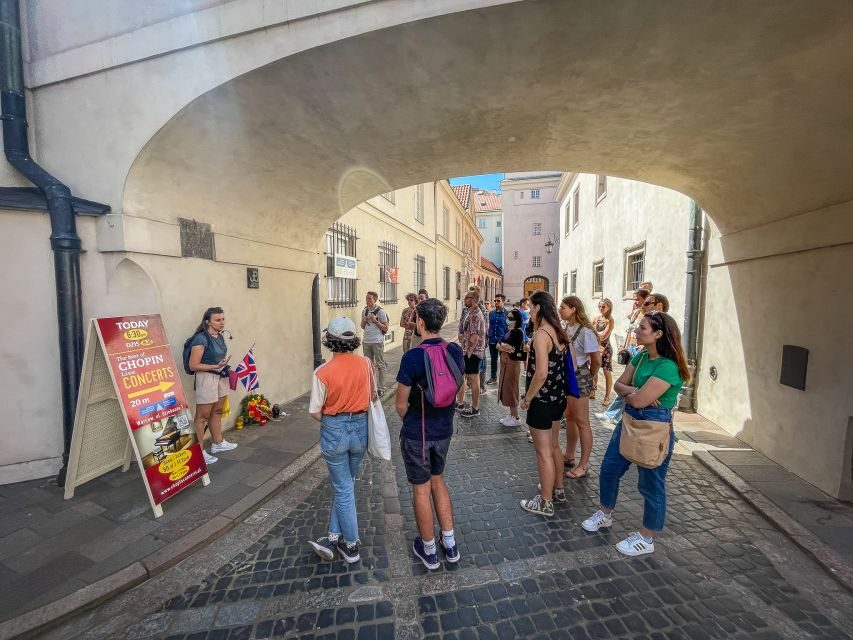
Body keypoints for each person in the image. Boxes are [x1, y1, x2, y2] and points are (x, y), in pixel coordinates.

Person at [581, 311, 690, 557]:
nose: (637, 330)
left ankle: (646, 537)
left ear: (658, 334)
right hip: (629, 421)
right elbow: (621, 387)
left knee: (651, 484)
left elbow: (638, 399)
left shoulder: (668, 367)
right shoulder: (641, 355)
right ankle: (605, 513)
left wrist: (636, 394)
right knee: (609, 470)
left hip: (654, 429)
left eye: (642, 327)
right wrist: (638, 392)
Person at [395, 298, 464, 569]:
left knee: (421, 490)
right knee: (439, 481)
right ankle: (450, 543)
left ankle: (429, 550)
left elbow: (400, 404)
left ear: (420, 322)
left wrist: (409, 417)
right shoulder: (455, 351)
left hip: (418, 433)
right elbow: (460, 391)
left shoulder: (412, 357)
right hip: (444, 430)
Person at [307, 317, 375, 564]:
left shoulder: (322, 372)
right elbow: (371, 394)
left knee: (343, 487)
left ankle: (351, 546)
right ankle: (333, 536)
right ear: (354, 340)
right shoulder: (366, 363)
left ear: (330, 341)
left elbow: (315, 412)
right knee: (346, 484)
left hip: (334, 430)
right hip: (360, 429)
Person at [519, 291, 569, 517]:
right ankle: (558, 489)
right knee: (554, 446)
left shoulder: (541, 335)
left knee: (543, 453)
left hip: (542, 400)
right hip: (558, 398)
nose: (529, 311)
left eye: (531, 307)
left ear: (538, 308)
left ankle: (545, 502)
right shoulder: (559, 332)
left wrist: (527, 397)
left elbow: (540, 374)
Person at [188, 306, 238, 465]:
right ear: (207, 321)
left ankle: (218, 443)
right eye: (218, 320)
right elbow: (193, 365)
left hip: (220, 376)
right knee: (202, 417)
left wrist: (221, 365)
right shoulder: (200, 339)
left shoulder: (220, 336)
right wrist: (215, 366)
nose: (222, 322)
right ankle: (199, 452)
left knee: (217, 411)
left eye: (223, 319)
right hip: (206, 378)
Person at [560, 296, 601, 480]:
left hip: (579, 376)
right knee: (570, 417)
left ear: (574, 309)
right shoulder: (568, 327)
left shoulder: (586, 332)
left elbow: (596, 360)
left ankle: (584, 464)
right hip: (568, 376)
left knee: (582, 422)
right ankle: (569, 455)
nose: (560, 310)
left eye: (564, 307)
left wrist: (589, 377)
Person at [456, 290, 486, 418]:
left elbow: (474, 338)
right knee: (471, 378)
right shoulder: (471, 312)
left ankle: (474, 408)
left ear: (473, 300)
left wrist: (462, 337)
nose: (464, 299)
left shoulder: (474, 315)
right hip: (471, 351)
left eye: (467, 297)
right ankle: (468, 405)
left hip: (472, 353)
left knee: (474, 379)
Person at [496, 309, 525, 428]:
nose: (508, 319)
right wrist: (504, 347)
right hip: (505, 364)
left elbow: (513, 348)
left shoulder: (518, 332)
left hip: (512, 364)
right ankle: (511, 415)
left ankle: (516, 417)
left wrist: (503, 346)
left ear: (517, 320)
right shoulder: (509, 331)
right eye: (508, 317)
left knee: (512, 388)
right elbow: (499, 344)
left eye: (511, 318)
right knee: (506, 388)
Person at [360, 291, 389, 395]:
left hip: (377, 341)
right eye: (366, 298)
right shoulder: (364, 311)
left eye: (369, 299)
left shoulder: (380, 311)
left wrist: (376, 321)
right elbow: (362, 326)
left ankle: (381, 387)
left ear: (374, 300)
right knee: (369, 365)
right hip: (366, 341)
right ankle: (371, 387)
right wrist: (364, 320)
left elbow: (386, 328)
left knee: (380, 364)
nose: (367, 301)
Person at [594, 298, 615, 406]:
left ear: (609, 307)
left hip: (605, 349)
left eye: (603, 306)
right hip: (596, 348)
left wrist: (594, 333)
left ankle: (607, 396)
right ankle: (593, 389)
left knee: (606, 372)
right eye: (600, 306)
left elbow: (604, 336)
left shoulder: (610, 320)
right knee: (594, 370)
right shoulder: (596, 318)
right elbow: (587, 329)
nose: (601, 308)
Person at [487, 294, 509, 385]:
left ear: (503, 302)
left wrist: (506, 342)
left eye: (498, 301)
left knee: (504, 360)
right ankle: (493, 377)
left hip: (502, 341)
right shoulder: (491, 313)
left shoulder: (507, 314)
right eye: (495, 301)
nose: (496, 302)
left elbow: (509, 329)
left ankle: (505, 378)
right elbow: (490, 326)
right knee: (493, 360)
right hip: (492, 340)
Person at [623, 289, 651, 358]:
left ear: (646, 299)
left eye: (637, 299)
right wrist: (626, 347)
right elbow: (630, 331)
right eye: (634, 300)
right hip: (630, 347)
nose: (635, 302)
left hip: (640, 349)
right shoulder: (635, 312)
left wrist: (644, 346)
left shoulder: (650, 316)